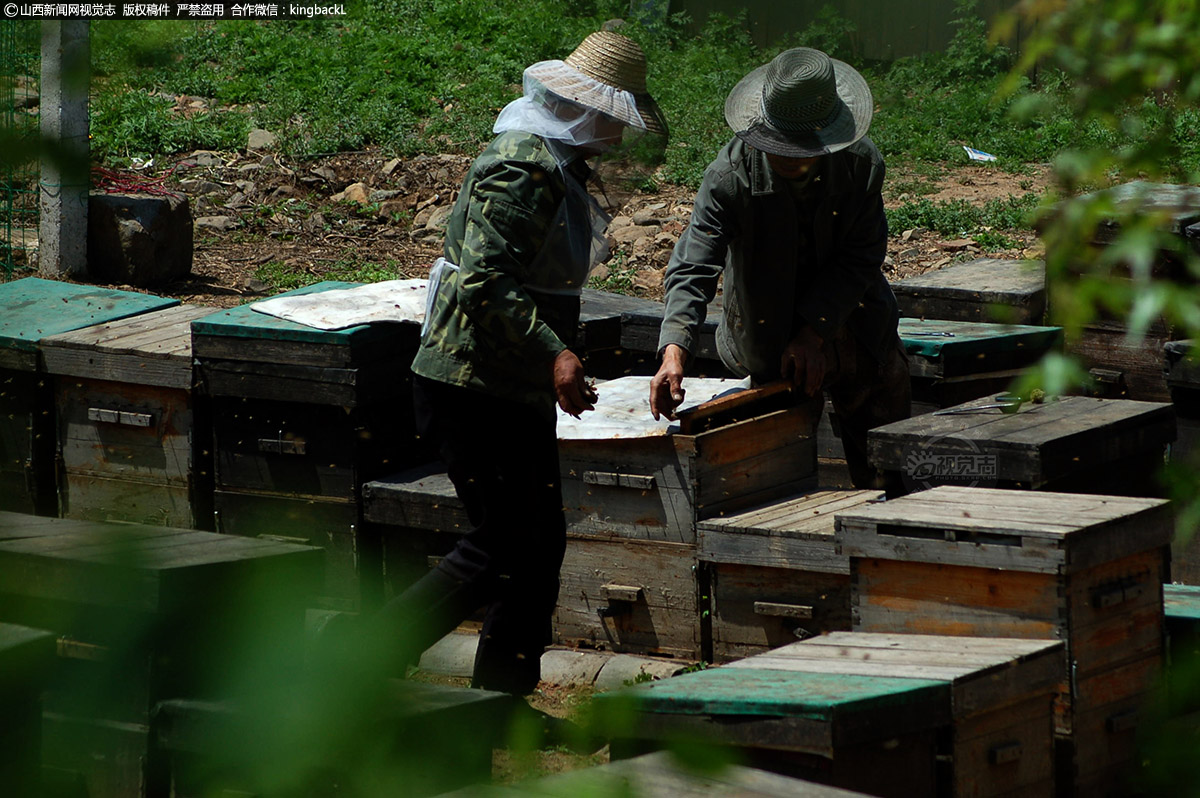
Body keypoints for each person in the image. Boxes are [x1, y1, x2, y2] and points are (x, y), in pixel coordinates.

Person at [372, 31, 667, 699]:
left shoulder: (555, 161)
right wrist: (555, 351)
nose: (619, 139)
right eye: (614, 120)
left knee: (538, 546)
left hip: (511, 382)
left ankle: (501, 699)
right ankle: (356, 660)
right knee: (500, 541)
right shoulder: (521, 166)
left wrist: (549, 359)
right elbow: (483, 280)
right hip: (469, 381)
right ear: (583, 108)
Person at [648, 47, 909, 490]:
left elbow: (862, 256)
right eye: (778, 146)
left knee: (887, 475)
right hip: (767, 333)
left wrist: (813, 333)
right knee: (774, 480)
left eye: (801, 149)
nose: (788, 157)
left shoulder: (860, 165)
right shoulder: (729, 177)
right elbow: (694, 265)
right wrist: (674, 350)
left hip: (858, 325)